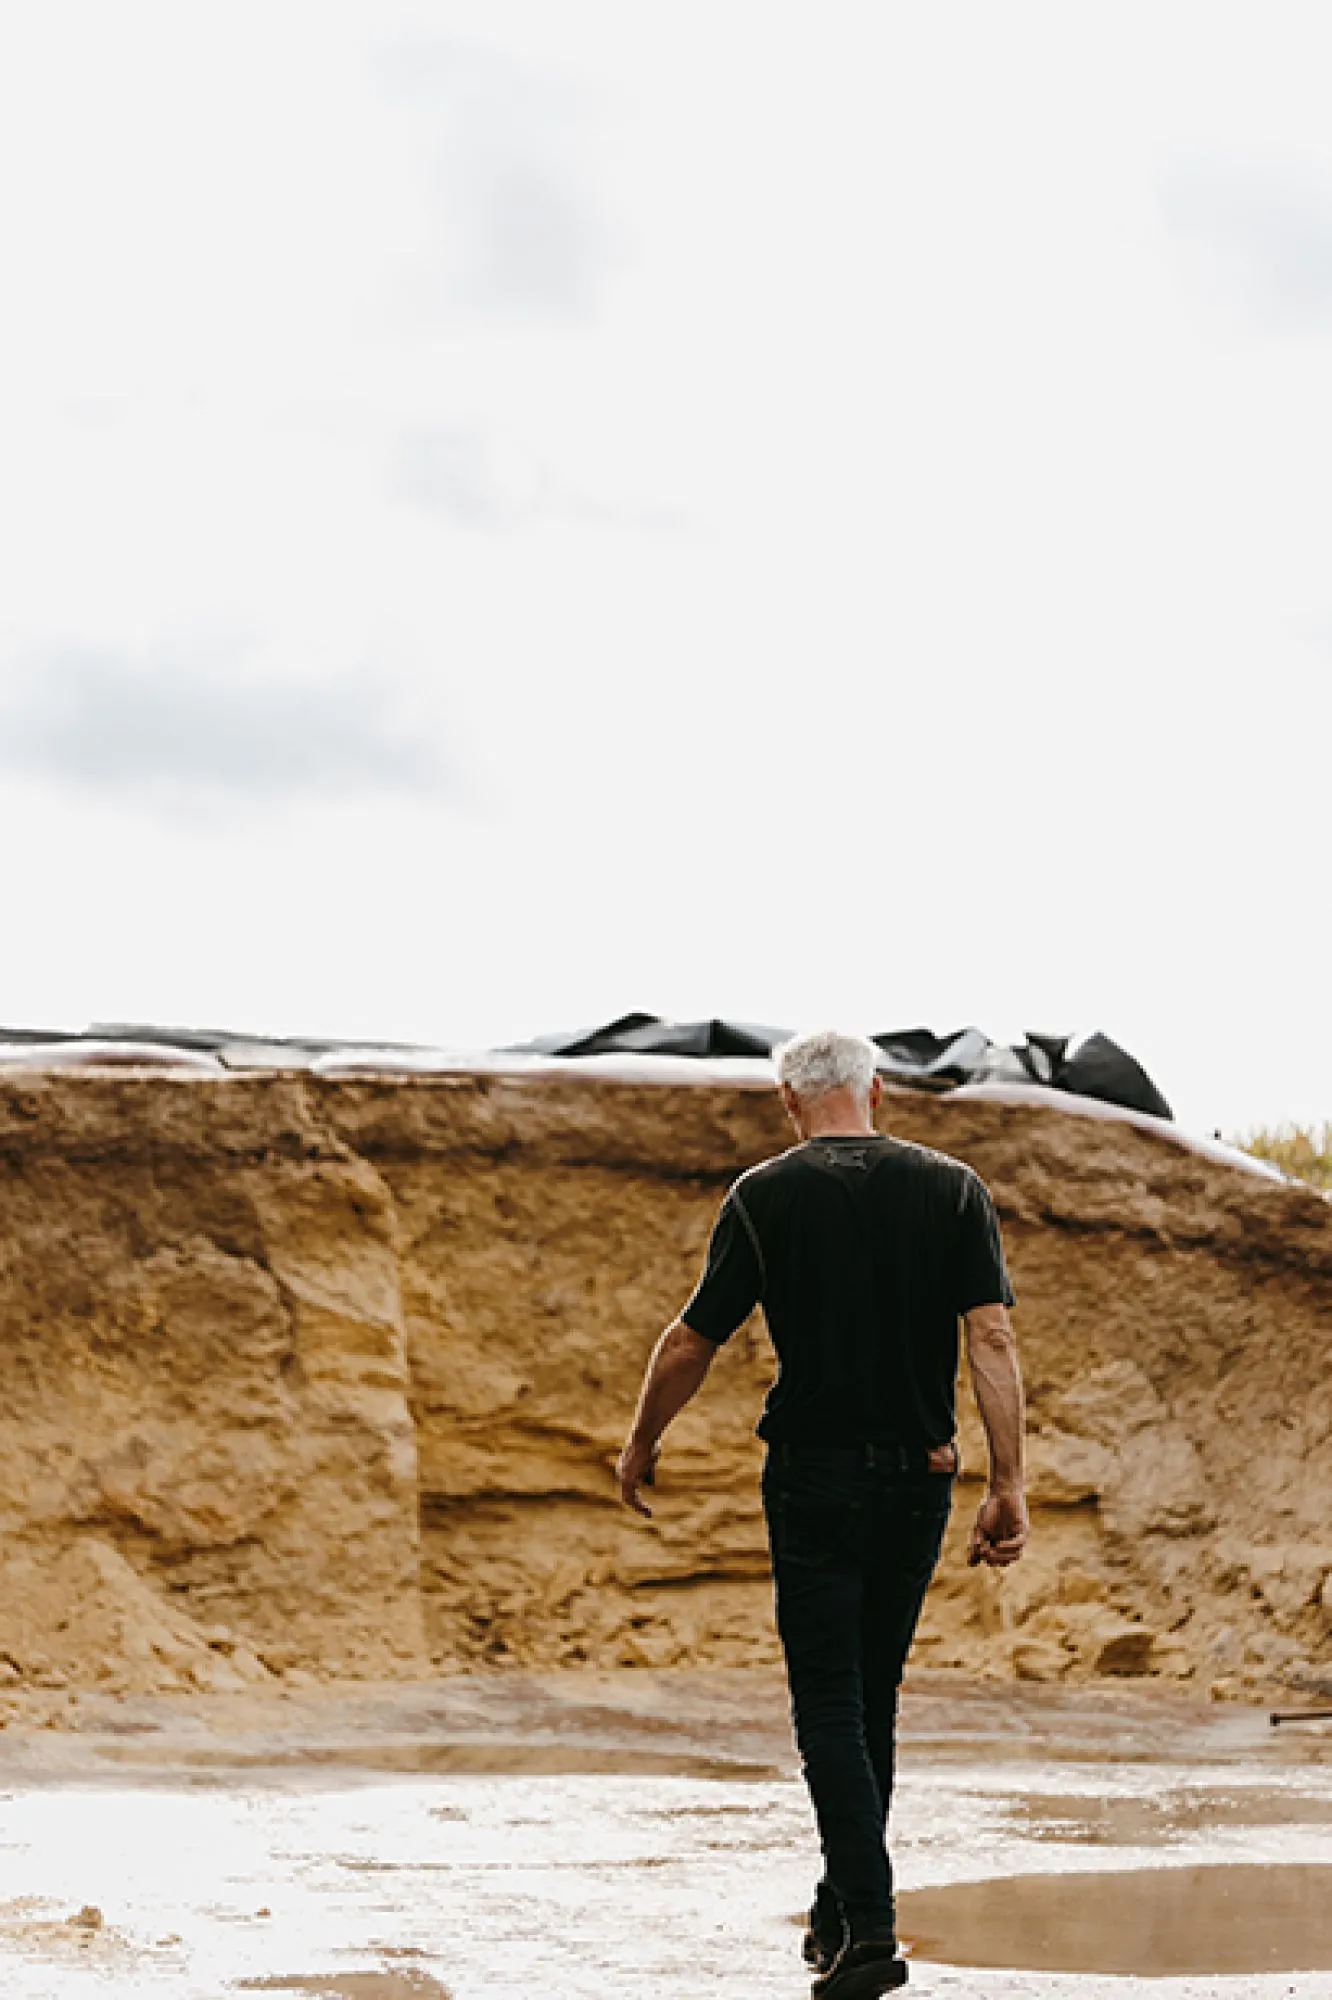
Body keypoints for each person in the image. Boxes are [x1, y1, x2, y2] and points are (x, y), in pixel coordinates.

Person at [615, 1028, 1028, 1999]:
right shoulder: (953, 1187)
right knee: (868, 1692)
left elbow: (691, 1338)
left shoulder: (766, 1193)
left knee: (830, 1702)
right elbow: (992, 1334)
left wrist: (641, 1440)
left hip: (812, 1478)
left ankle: (871, 1925)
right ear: (876, 1089)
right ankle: (840, 1904)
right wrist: (1008, 1479)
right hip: (920, 1476)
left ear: (789, 1102)